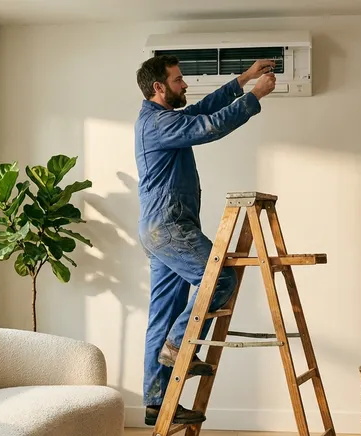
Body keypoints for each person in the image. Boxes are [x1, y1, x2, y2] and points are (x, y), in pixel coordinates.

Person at [134, 54, 276, 426]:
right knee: (221, 278)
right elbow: (210, 126)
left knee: (161, 315)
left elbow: (202, 109)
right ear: (158, 87)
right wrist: (254, 98)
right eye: (178, 80)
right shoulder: (157, 124)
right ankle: (179, 346)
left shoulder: (161, 118)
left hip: (159, 229)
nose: (185, 85)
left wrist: (243, 79)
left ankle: (155, 403)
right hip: (169, 227)